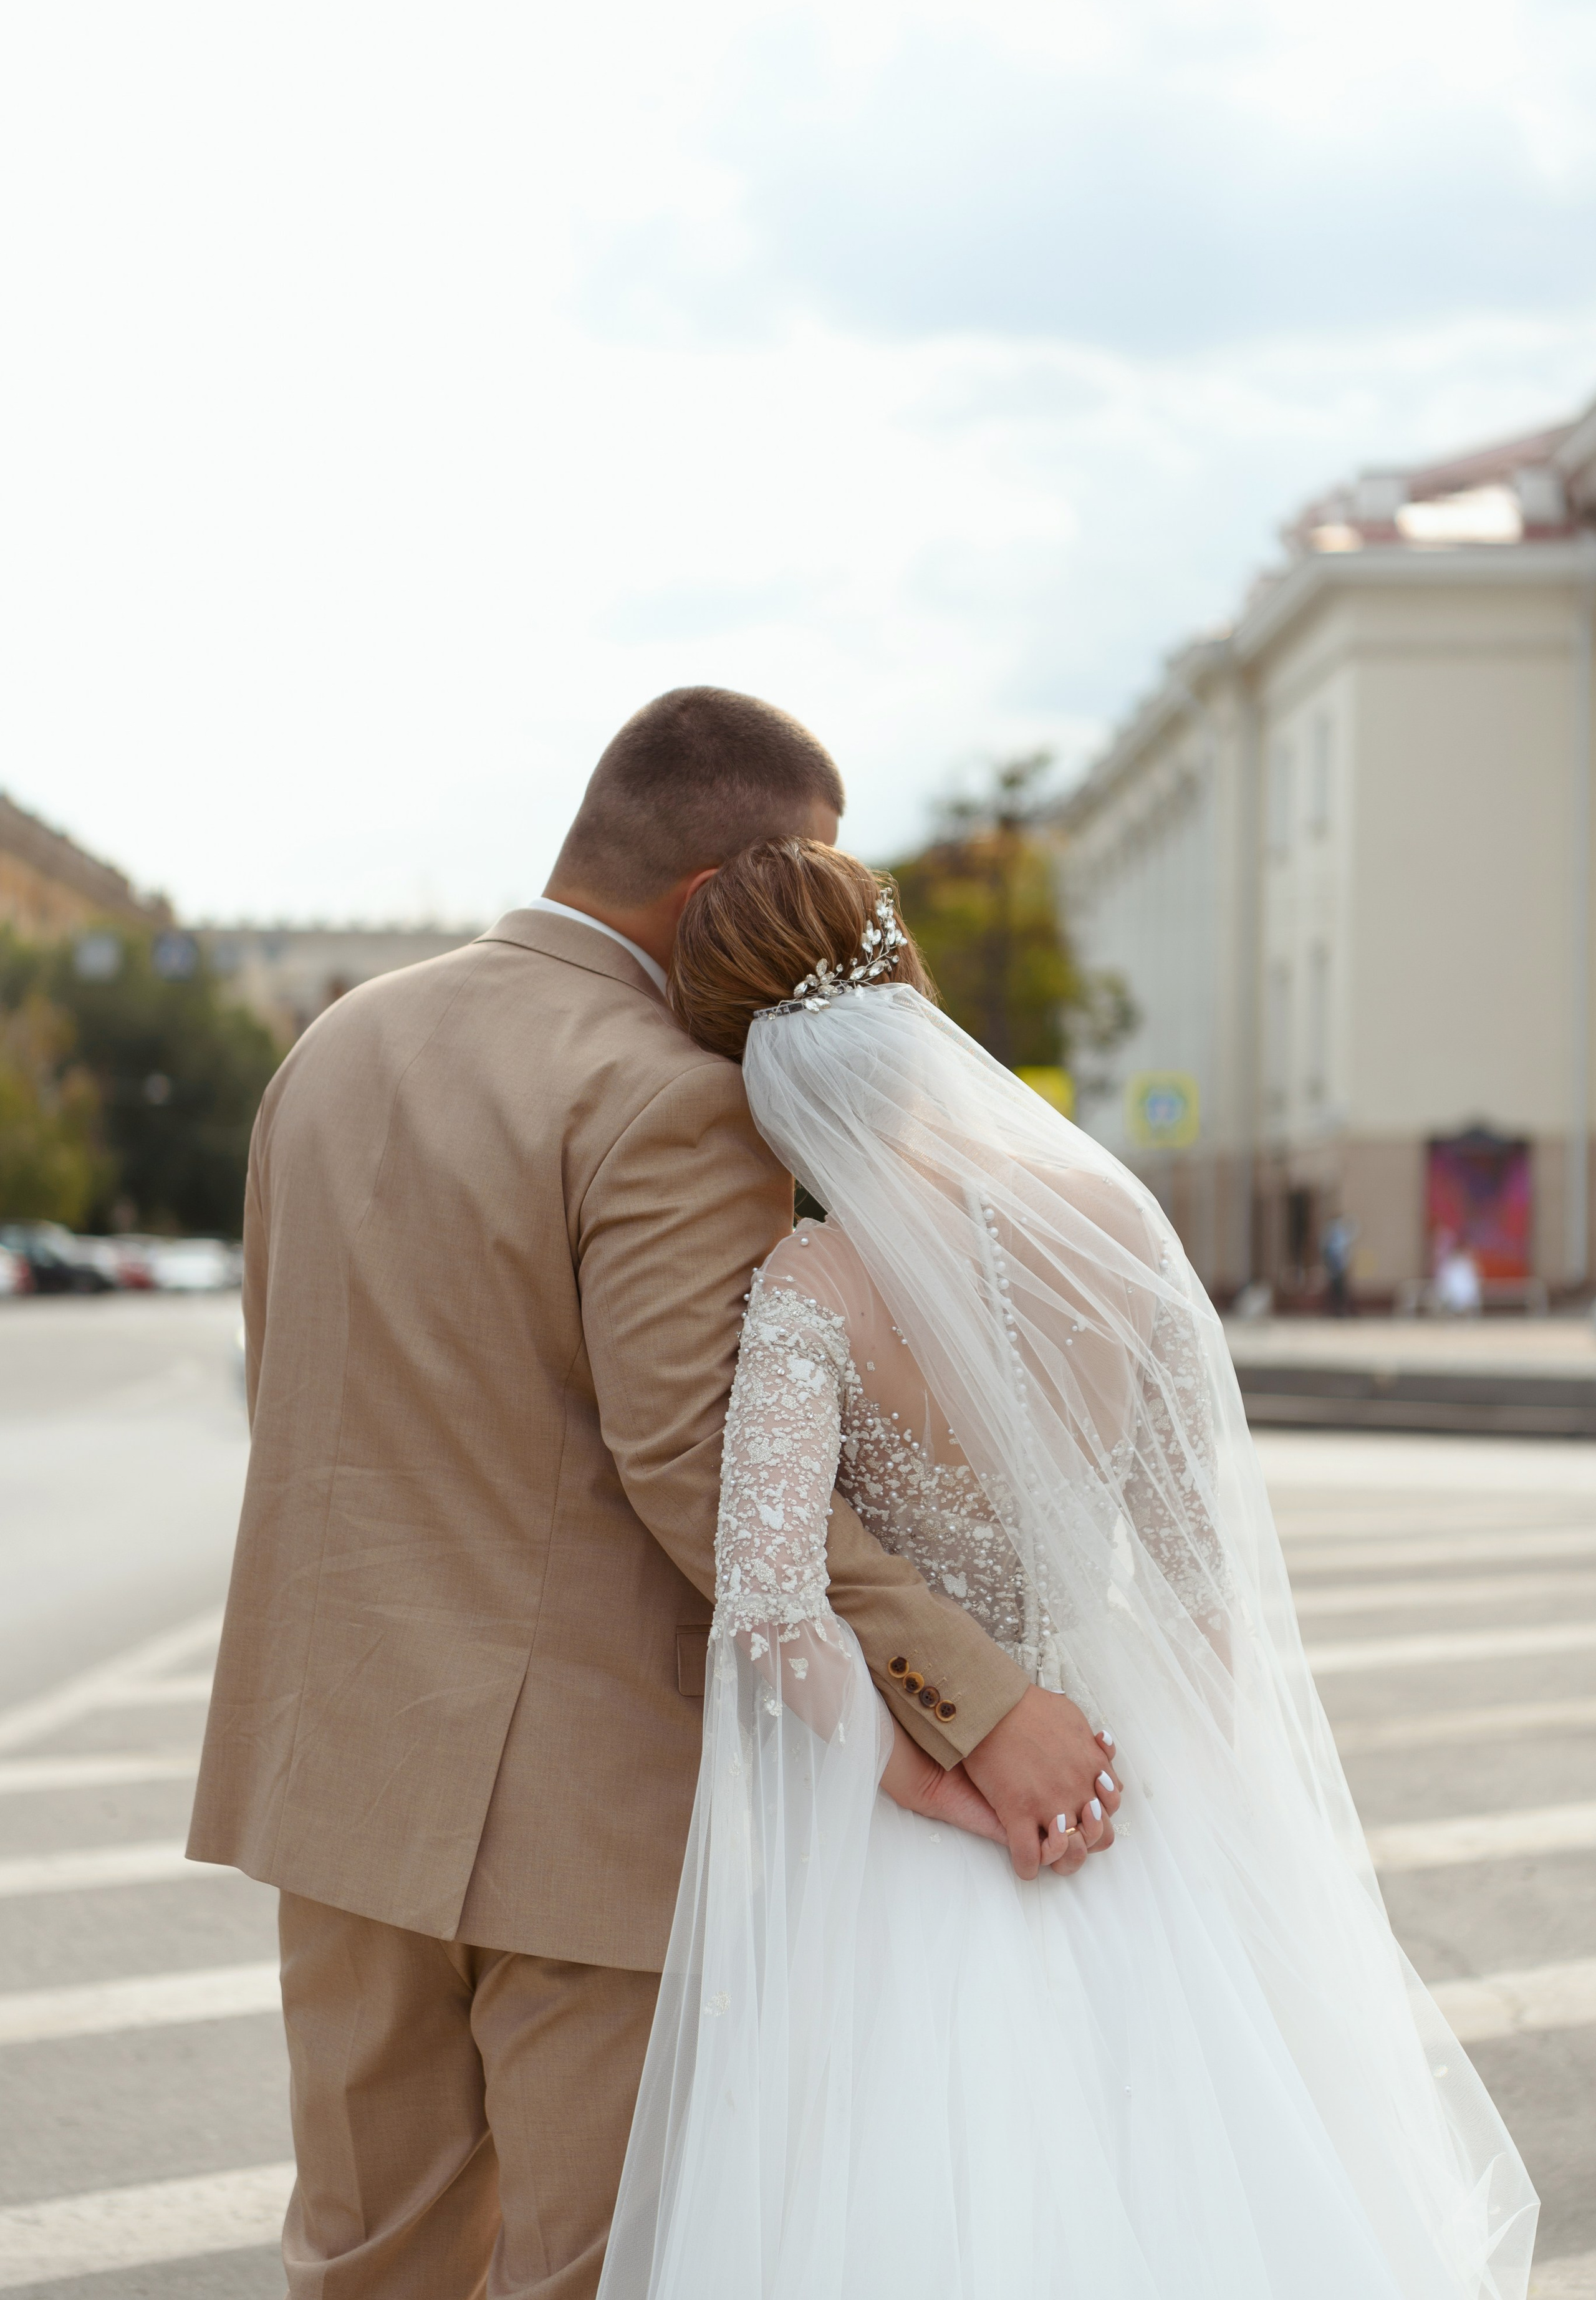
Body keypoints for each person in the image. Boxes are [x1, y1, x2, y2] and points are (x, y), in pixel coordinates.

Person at [187, 689, 1115, 2299]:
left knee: (365, 2255)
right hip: (577, 1799)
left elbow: (298, 1390)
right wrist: (972, 1696)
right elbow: (694, 1454)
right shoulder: (668, 1088)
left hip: (333, 1763)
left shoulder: (336, 1042)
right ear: (714, 895)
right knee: (595, 2263)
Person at [598, 838, 1539, 2300]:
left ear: (751, 1078)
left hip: (930, 1827)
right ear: (911, 1000)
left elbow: (772, 1601)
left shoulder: (809, 1291)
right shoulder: (1120, 1236)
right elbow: (1195, 1585)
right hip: (1122, 1777)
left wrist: (926, 1781)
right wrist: (1190, 1814)